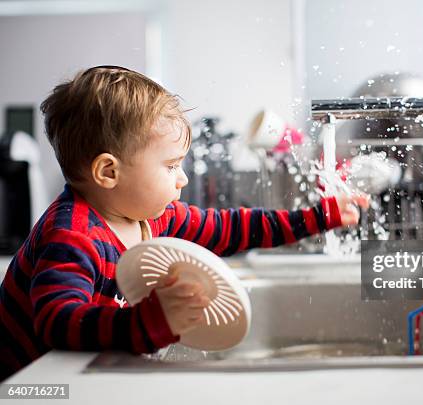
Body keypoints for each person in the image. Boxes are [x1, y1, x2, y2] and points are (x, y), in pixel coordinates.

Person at [0, 65, 369, 381]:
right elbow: (58, 322)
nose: (183, 179)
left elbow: (232, 229)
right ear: (109, 171)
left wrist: (319, 217)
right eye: (171, 166)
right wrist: (148, 323)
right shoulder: (72, 236)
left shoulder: (154, 216)